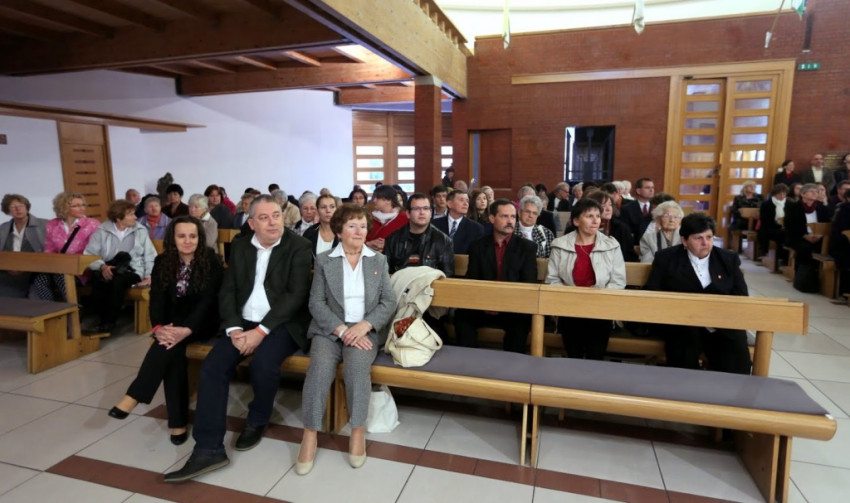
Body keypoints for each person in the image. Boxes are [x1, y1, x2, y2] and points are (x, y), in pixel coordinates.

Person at [164, 195, 313, 482]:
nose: (273, 222)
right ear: (252, 223)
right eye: (264, 218)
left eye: (277, 216)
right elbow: (229, 290)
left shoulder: (299, 246)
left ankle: (257, 419)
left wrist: (260, 332)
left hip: (282, 323)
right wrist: (233, 328)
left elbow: (295, 296)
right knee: (213, 367)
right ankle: (209, 449)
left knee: (263, 364)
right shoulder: (242, 245)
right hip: (242, 321)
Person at [295, 204, 396, 475]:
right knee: (319, 369)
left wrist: (365, 325)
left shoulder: (378, 260)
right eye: (352, 226)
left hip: (364, 330)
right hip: (329, 330)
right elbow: (316, 303)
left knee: (356, 369)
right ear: (339, 231)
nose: (359, 231)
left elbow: (388, 302)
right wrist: (341, 330)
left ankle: (357, 431)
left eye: (363, 226)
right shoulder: (325, 260)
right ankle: (310, 434)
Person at [107, 216, 224, 445]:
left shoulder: (211, 261)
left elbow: (208, 302)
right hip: (173, 323)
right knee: (172, 352)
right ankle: (177, 423)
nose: (187, 241)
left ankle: (135, 396)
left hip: (203, 322)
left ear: (200, 238)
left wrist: (187, 329)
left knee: (169, 346)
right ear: (173, 238)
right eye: (182, 236)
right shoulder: (163, 261)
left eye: (193, 236)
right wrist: (158, 327)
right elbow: (157, 298)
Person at [645, 213, 751, 374]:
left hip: (721, 323)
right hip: (682, 323)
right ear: (684, 241)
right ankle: (685, 387)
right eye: (698, 238)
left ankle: (731, 388)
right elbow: (654, 292)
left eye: (709, 237)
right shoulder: (666, 259)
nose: (705, 243)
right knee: (683, 345)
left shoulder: (727, 259)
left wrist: (717, 319)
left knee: (734, 349)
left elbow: (741, 296)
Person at [546, 198, 626, 360]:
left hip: (600, 308)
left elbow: (618, 281)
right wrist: (572, 298)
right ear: (576, 221)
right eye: (589, 216)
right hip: (569, 307)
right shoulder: (560, 244)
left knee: (595, 356)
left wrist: (596, 299)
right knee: (573, 355)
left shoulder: (611, 245)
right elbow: (552, 279)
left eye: (598, 216)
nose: (596, 220)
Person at [453, 199, 537, 352]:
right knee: (462, 317)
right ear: (492, 218)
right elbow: (473, 280)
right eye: (504, 216)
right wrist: (486, 304)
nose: (510, 221)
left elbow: (528, 284)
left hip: (513, 307)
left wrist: (502, 304)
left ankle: (511, 365)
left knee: (521, 323)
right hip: (483, 305)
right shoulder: (477, 246)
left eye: (513, 217)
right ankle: (469, 361)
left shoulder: (527, 248)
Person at [84, 199, 157, 333]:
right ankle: (102, 320)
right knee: (99, 281)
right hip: (108, 267)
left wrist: (149, 277)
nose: (135, 217)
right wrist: (102, 267)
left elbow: (150, 255)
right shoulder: (101, 231)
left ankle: (109, 322)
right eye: (131, 214)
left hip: (133, 269)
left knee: (118, 282)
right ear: (118, 218)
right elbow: (89, 255)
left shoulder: (140, 230)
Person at [31, 192, 101, 301]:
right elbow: (49, 249)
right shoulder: (52, 224)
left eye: (83, 205)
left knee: (61, 276)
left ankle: (73, 307)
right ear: (64, 207)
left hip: (81, 268)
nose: (82, 208)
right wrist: (48, 265)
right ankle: (50, 307)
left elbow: (94, 251)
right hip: (57, 265)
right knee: (39, 279)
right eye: (76, 206)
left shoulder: (92, 224)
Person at [383, 193, 454, 277]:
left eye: (426, 208)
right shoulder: (393, 239)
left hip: (430, 284)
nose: (422, 212)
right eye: (417, 209)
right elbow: (385, 272)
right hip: (400, 282)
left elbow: (448, 275)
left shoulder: (443, 241)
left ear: (431, 213)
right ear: (408, 213)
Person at [0, 194, 46, 298]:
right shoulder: (3, 228)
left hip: (35, 270)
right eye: (13, 207)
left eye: (21, 205)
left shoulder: (44, 224)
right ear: (7, 210)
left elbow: (47, 251)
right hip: (8, 270)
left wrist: (26, 266)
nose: (18, 209)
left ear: (26, 207)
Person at [784, 183, 832, 271]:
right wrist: (805, 236)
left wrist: (819, 235)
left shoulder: (822, 208)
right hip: (799, 236)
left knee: (830, 246)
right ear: (803, 194)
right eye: (811, 191)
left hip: (819, 236)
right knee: (805, 248)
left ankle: (820, 272)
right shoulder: (793, 207)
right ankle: (803, 272)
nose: (815, 193)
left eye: (816, 192)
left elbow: (826, 224)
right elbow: (790, 226)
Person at [433, 189, 484, 254]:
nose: (466, 204)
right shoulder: (434, 225)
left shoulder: (476, 228)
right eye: (461, 200)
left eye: (467, 201)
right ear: (449, 204)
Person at [365, 184, 408, 253]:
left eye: (377, 198)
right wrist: (368, 243)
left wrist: (389, 244)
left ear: (388, 200)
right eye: (374, 197)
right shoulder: (369, 217)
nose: (374, 200)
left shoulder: (404, 218)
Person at [757, 183, 789, 262]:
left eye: (784, 194)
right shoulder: (766, 204)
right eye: (779, 194)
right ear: (775, 194)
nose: (782, 196)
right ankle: (779, 257)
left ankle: (787, 258)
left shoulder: (790, 203)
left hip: (785, 227)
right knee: (780, 234)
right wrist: (779, 225)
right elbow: (764, 220)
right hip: (770, 227)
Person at [619, 177, 655, 242]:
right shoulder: (627, 209)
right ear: (638, 191)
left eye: (652, 187)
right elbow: (625, 232)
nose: (651, 190)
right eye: (647, 188)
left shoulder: (657, 208)